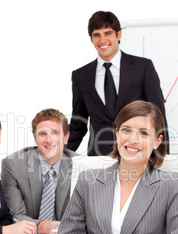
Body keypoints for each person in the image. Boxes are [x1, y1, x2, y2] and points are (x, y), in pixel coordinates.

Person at [4, 101, 178, 234]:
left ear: (157, 141)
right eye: (126, 130)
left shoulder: (169, 184)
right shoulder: (89, 182)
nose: (132, 139)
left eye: (144, 133)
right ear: (116, 133)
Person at [67, 11, 168, 156]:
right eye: (97, 35)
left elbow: (158, 117)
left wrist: (161, 158)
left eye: (107, 33)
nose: (102, 40)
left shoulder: (142, 67)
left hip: (137, 153)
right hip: (98, 157)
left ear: (118, 34)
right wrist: (57, 157)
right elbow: (78, 124)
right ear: (91, 39)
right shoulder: (81, 76)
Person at [1, 108, 77, 234]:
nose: (49, 140)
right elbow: (14, 215)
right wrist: (40, 226)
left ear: (66, 137)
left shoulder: (82, 165)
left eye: (55, 133)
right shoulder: (12, 165)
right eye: (42, 134)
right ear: (35, 138)